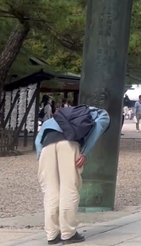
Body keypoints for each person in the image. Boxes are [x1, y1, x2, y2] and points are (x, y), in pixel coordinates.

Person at [35, 104, 110, 244]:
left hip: (47, 146)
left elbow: (40, 136)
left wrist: (40, 155)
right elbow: (96, 132)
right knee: (69, 188)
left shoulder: (62, 114)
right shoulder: (102, 114)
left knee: (50, 190)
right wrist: (85, 152)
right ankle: (68, 233)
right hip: (69, 144)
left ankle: (52, 235)